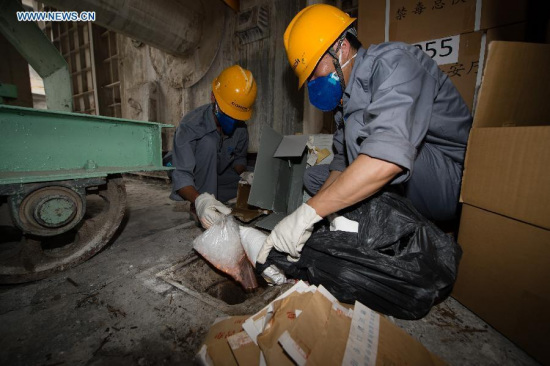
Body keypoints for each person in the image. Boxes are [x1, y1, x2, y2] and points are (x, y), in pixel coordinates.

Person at [257, 4, 472, 264]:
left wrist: (309, 213)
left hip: (453, 183)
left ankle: (395, 229)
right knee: (315, 178)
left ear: (341, 47)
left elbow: (386, 157)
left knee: (363, 143)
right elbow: (341, 162)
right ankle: (363, 221)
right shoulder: (346, 99)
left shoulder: (395, 62)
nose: (313, 81)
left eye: (315, 70)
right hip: (405, 170)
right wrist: (316, 217)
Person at [167, 65, 257, 229]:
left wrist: (245, 173)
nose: (232, 120)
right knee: (208, 143)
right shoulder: (191, 126)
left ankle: (213, 199)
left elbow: (239, 159)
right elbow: (181, 175)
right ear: (213, 97)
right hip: (195, 178)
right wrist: (201, 201)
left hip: (219, 176)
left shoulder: (241, 129)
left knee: (253, 189)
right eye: (227, 113)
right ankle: (200, 205)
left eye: (236, 116)